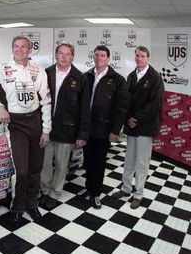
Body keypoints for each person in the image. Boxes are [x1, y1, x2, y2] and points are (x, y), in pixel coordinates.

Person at [0, 36, 51, 222]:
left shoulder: (38, 70)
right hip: (16, 124)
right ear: (12, 49)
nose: (19, 50)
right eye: (16, 47)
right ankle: (18, 205)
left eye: (23, 47)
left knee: (36, 168)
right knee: (22, 170)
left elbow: (47, 101)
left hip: (36, 122)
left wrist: (46, 130)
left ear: (30, 50)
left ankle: (32, 204)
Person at [39, 42, 91, 209]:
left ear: (72, 56)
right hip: (46, 128)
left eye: (67, 54)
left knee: (62, 165)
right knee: (45, 163)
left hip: (67, 130)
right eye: (60, 53)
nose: (63, 56)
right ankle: (44, 190)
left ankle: (55, 193)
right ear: (56, 55)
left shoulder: (80, 78)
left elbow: (85, 109)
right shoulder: (46, 74)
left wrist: (82, 135)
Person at [112, 46, 164, 209]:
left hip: (146, 127)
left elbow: (154, 104)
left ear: (148, 58)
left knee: (142, 162)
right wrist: (128, 118)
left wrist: (137, 118)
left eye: (142, 56)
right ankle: (126, 188)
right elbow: (125, 100)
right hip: (131, 125)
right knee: (129, 159)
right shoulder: (131, 76)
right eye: (137, 56)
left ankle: (138, 194)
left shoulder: (155, 77)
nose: (139, 58)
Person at [83, 45, 129, 209]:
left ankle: (96, 193)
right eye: (96, 55)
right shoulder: (86, 76)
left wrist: (115, 131)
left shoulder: (117, 79)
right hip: (86, 128)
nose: (99, 58)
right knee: (87, 160)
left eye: (102, 55)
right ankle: (89, 188)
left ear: (108, 58)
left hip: (104, 130)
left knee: (99, 162)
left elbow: (121, 108)